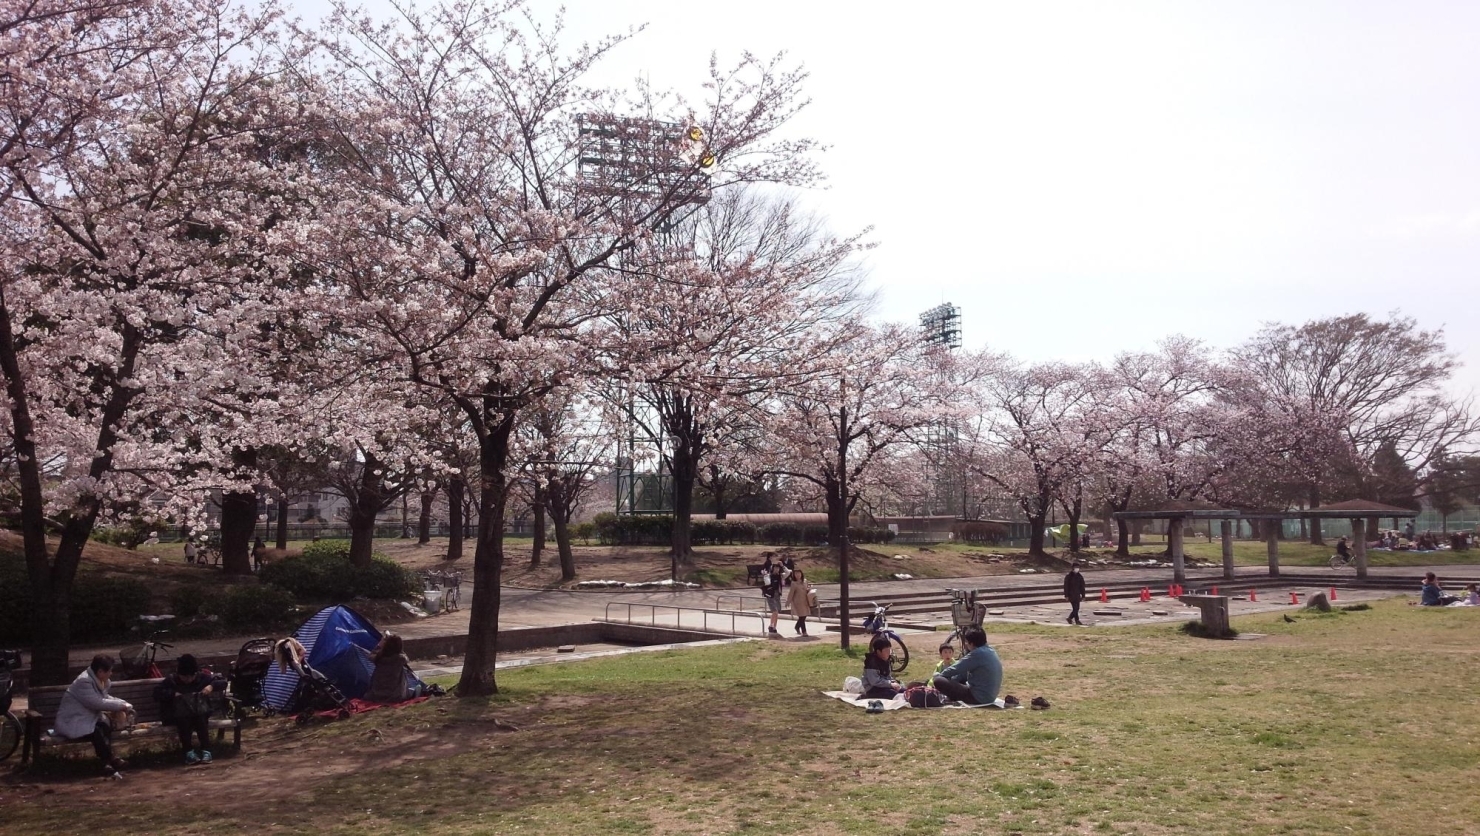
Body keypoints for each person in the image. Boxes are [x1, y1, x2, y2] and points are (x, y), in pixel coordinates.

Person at [55, 655, 133, 777]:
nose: (111, 673)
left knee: (104, 726)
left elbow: (104, 698)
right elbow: (96, 703)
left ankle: (106, 762)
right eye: (110, 671)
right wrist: (121, 706)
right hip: (72, 720)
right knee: (96, 731)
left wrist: (123, 703)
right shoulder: (84, 681)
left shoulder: (99, 681)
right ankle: (109, 760)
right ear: (100, 671)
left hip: (86, 718)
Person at [155, 654, 224, 764]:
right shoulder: (172, 680)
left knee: (201, 718)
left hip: (198, 713)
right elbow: (157, 693)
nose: (188, 679)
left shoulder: (202, 678)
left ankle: (206, 750)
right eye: (184, 677)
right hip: (176, 715)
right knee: (184, 719)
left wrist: (211, 686)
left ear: (195, 674)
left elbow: (222, 682)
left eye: (191, 676)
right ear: (179, 674)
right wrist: (172, 694)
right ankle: (189, 752)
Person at [932, 626, 1003, 706]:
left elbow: (956, 668)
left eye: (966, 642)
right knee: (958, 678)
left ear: (971, 643)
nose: (966, 645)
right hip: (990, 696)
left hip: (978, 697)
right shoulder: (990, 650)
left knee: (938, 681)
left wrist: (940, 676)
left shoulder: (977, 654)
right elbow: (963, 673)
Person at [363, 633, 420, 703]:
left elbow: (370, 655)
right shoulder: (400, 659)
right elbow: (406, 657)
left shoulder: (379, 658)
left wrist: (380, 645)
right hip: (395, 696)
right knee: (413, 687)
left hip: (376, 696)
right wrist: (398, 647)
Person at [861, 635, 905, 700]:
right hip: (872, 689)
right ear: (878, 652)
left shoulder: (886, 660)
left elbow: (888, 676)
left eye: (889, 651)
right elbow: (874, 681)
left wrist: (893, 682)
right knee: (893, 694)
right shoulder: (872, 663)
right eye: (886, 651)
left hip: (884, 686)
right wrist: (890, 684)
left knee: (903, 690)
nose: (888, 653)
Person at [759, 557, 784, 635]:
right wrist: (766, 575)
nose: (777, 570)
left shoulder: (780, 576)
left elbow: (788, 572)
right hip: (770, 594)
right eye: (775, 568)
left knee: (777, 611)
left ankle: (774, 627)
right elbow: (767, 583)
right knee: (774, 610)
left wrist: (783, 566)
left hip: (777, 594)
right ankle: (771, 625)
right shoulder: (769, 576)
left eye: (778, 568)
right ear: (772, 569)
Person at [785, 567, 812, 636]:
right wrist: (788, 601)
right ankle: (804, 632)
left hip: (805, 601)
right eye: (796, 574)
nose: (797, 575)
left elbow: (806, 589)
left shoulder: (805, 581)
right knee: (801, 616)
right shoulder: (794, 583)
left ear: (801, 574)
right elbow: (791, 593)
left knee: (804, 616)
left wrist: (809, 590)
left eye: (799, 573)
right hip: (798, 602)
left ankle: (797, 626)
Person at [1063, 562, 1086, 626]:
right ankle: (1075, 619)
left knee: (1077, 608)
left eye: (1078, 567)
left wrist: (1083, 595)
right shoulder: (1069, 576)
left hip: (1077, 595)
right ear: (1072, 568)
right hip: (1071, 595)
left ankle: (1072, 619)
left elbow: (1082, 586)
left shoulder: (1080, 576)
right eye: (1076, 567)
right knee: (1075, 608)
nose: (1077, 569)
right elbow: (1066, 586)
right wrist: (1066, 595)